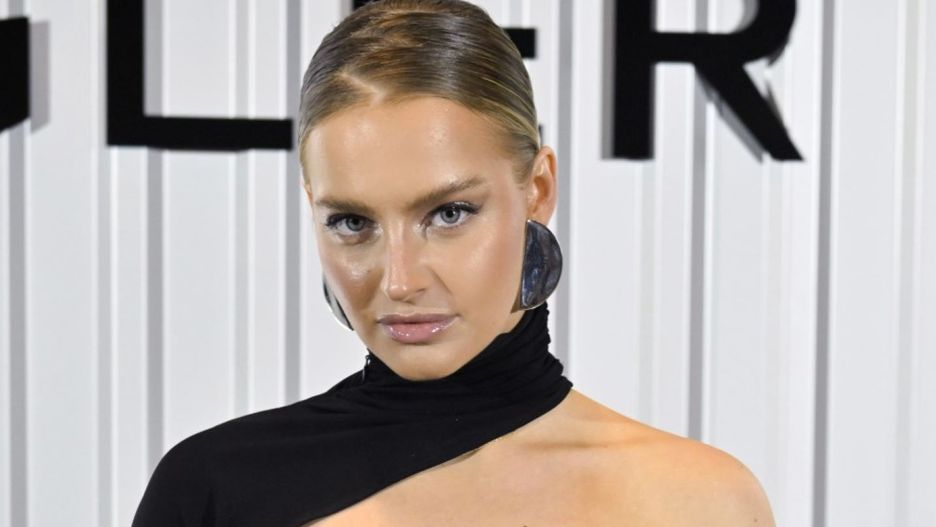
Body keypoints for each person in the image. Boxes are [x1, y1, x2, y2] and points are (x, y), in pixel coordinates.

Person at [132, 1, 776, 525]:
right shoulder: (214, 489)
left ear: (538, 190)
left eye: (449, 213)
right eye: (352, 222)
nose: (400, 280)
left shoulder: (700, 503)